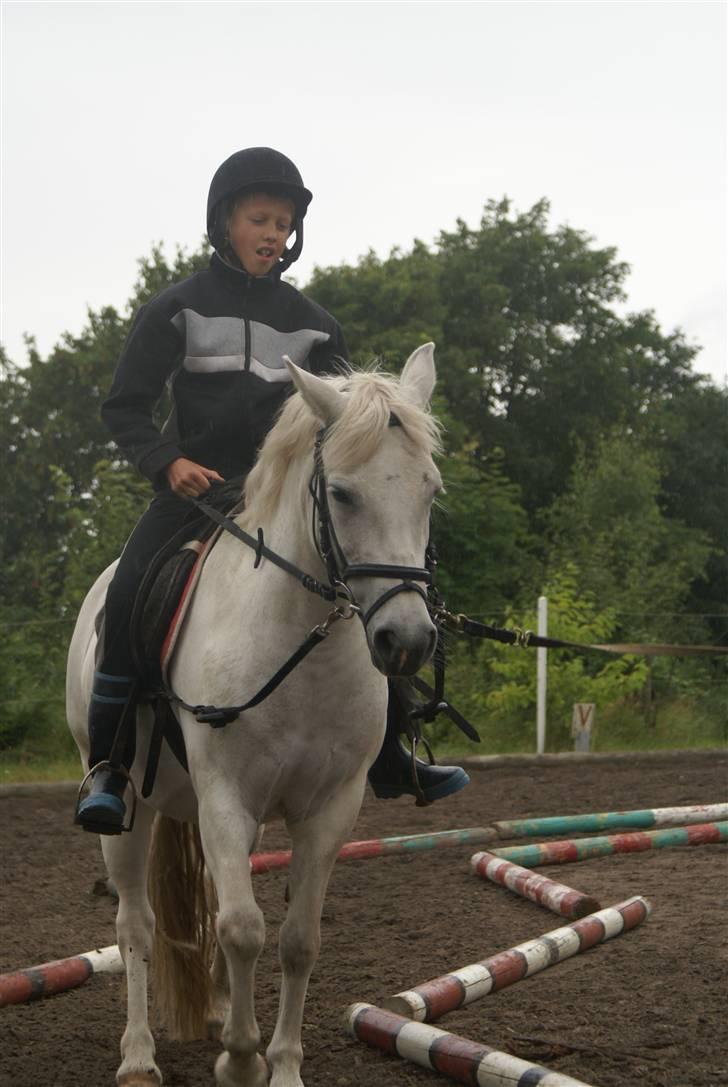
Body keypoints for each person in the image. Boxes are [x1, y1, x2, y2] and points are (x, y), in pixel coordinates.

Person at [75, 147, 469, 834]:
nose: (273, 236)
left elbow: (345, 423)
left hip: (288, 501)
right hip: (194, 495)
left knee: (382, 579)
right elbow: (125, 406)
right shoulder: (177, 308)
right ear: (225, 220)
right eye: (260, 220)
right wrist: (167, 462)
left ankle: (391, 749)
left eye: (283, 225)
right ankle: (107, 764)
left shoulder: (316, 322)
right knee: (131, 587)